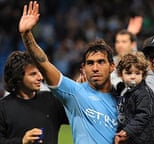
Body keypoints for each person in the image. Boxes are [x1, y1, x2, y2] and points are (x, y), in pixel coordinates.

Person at [19, 1, 118, 144]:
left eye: (101, 62)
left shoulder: (122, 98)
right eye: (90, 63)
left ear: (112, 66)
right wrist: (27, 35)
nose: (95, 68)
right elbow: (44, 64)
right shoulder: (75, 93)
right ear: (83, 68)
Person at [0, 51, 68, 144]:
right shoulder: (0, 108)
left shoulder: (51, 100)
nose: (40, 77)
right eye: (33, 74)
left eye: (40, 72)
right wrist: (22, 141)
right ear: (18, 78)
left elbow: (78, 117)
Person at [114, 52, 154, 144]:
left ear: (143, 75)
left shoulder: (143, 92)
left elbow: (143, 115)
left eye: (137, 73)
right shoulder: (127, 91)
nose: (133, 77)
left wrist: (127, 131)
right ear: (121, 75)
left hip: (148, 134)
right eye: (128, 73)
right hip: (137, 133)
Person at [111, 17, 143, 87]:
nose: (120, 45)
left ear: (133, 44)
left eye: (124, 42)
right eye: (117, 42)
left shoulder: (140, 62)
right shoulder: (111, 62)